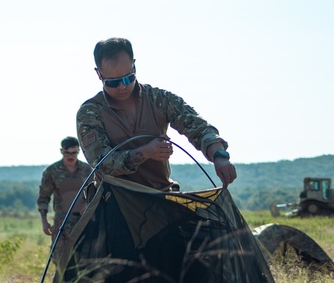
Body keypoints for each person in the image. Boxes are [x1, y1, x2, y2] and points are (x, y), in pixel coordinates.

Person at [76, 37, 237, 191]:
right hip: (115, 201)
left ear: (134, 66)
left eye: (128, 79)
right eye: (112, 82)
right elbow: (102, 165)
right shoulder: (90, 112)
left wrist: (219, 156)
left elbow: (199, 128)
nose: (121, 87)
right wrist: (146, 152)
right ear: (99, 74)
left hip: (161, 194)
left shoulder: (159, 99)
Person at [37, 137, 93, 240]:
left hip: (85, 221)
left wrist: (88, 203)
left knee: (86, 255)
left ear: (79, 151)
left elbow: (96, 192)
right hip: (62, 222)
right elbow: (43, 198)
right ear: (61, 151)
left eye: (74, 153)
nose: (70, 156)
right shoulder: (52, 171)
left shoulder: (87, 170)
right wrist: (44, 222)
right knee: (60, 255)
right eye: (67, 153)